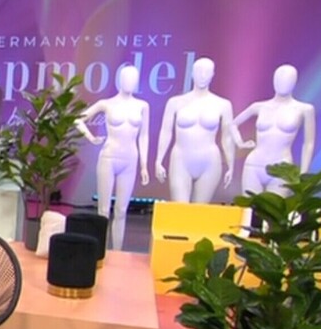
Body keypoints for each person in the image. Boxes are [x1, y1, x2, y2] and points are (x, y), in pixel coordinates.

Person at [74, 65, 150, 251]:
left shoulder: (142, 106)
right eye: (127, 78)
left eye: (133, 79)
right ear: (120, 80)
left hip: (130, 159)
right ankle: (101, 251)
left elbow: (144, 136)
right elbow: (77, 119)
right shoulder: (106, 104)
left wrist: (144, 165)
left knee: (122, 210)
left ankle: (117, 252)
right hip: (109, 157)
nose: (130, 82)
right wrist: (91, 137)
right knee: (103, 210)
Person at [154, 57, 238, 203]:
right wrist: (158, 160)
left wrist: (231, 165)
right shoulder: (175, 102)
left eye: (207, 72)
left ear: (213, 74)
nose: (203, 75)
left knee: (198, 211)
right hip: (181, 158)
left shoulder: (223, 105)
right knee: (180, 209)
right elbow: (166, 132)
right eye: (199, 71)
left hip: (209, 161)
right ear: (192, 73)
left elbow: (227, 137)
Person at [232, 64, 316, 196]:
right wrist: (240, 143)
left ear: (294, 82)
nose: (282, 82)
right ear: (273, 80)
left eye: (288, 79)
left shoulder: (304, 109)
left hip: (282, 167)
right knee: (249, 207)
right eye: (279, 78)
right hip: (254, 165)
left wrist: (304, 172)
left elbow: (308, 143)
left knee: (275, 208)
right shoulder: (258, 106)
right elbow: (232, 124)